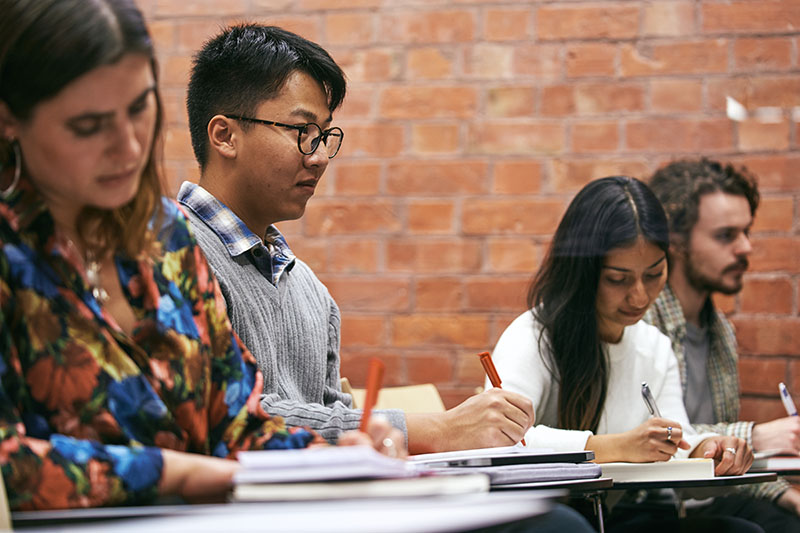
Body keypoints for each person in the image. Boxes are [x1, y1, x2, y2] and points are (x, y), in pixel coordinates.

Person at [0, 0, 403, 511]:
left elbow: (238, 422)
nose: (128, 146)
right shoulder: (13, 251)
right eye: (88, 124)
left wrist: (333, 453)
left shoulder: (164, 237)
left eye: (140, 108)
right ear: (10, 122)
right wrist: (178, 472)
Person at [177, 23, 534, 454]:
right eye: (301, 132)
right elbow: (226, 414)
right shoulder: (171, 255)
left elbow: (340, 431)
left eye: (324, 135)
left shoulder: (311, 292)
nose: (321, 156)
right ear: (225, 136)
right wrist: (435, 430)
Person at [490, 176, 760, 532]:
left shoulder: (654, 345)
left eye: (654, 274)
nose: (638, 297)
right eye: (618, 279)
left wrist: (707, 448)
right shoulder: (533, 335)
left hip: (620, 513)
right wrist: (616, 446)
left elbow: (677, 436)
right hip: (542, 512)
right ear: (583, 273)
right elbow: (504, 438)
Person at [645, 158, 800, 532]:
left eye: (746, 232)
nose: (746, 247)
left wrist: (787, 495)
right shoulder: (641, 324)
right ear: (677, 242)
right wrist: (757, 435)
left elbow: (728, 466)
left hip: (716, 497)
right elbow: (643, 437)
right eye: (725, 235)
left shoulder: (722, 334)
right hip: (654, 506)